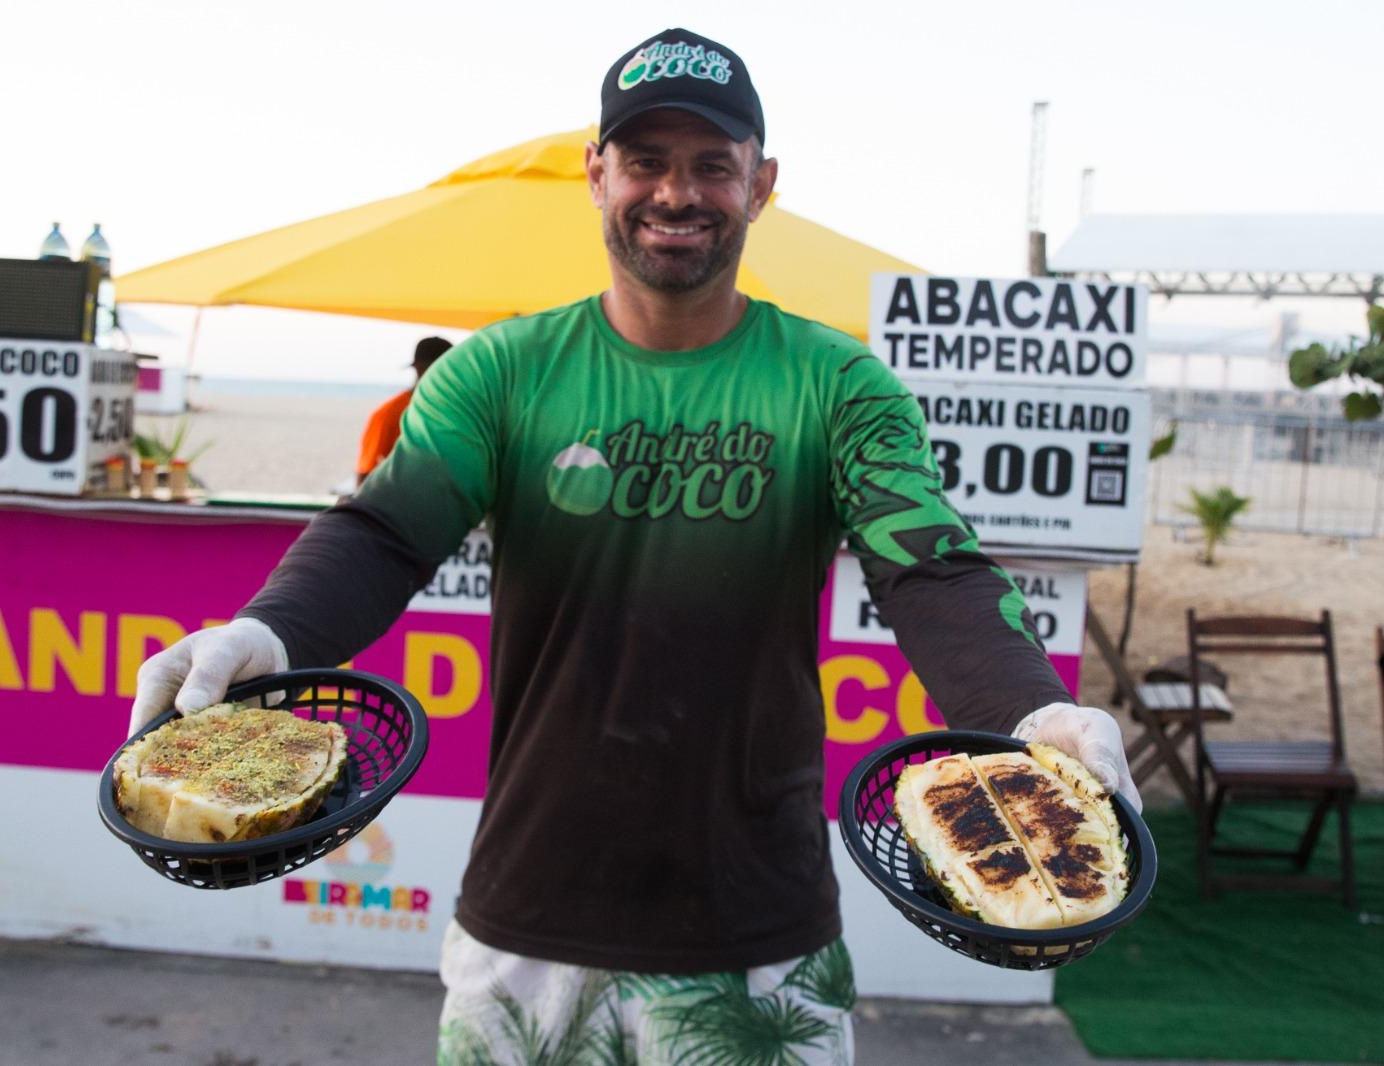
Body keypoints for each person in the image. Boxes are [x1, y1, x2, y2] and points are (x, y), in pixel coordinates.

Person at [129, 28, 1140, 1064]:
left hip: (760, 934)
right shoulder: (500, 372)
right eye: (646, 160)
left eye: (712, 164)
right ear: (596, 172)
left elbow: (928, 565)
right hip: (528, 919)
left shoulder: (838, 384)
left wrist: (1027, 707)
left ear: (762, 185)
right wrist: (270, 629)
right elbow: (387, 529)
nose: (675, 192)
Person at [354, 335, 453, 485]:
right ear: (421, 369)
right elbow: (365, 474)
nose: (451, 376)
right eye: (444, 369)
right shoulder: (388, 414)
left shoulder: (453, 411)